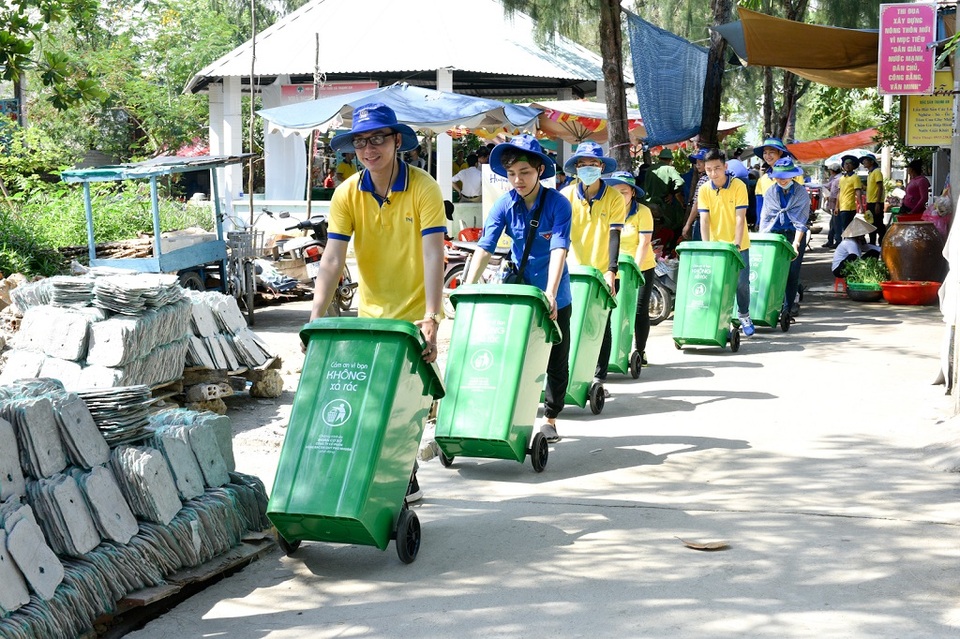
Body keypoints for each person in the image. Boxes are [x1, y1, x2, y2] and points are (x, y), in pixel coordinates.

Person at [309, 103, 446, 503]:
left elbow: (434, 253)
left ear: (396, 141)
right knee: (368, 402)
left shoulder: (423, 187)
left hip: (415, 314)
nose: (369, 149)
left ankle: (405, 473)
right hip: (371, 313)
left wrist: (432, 316)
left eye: (378, 139)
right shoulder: (346, 194)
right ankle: (381, 474)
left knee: (406, 404)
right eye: (361, 141)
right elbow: (332, 259)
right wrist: (315, 318)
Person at [464, 134, 573, 443]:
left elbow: (559, 249)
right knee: (508, 351)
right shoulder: (504, 203)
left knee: (556, 357)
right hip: (519, 292)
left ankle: (550, 417)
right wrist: (467, 288)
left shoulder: (558, 204)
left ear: (540, 170)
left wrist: (550, 293)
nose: (517, 180)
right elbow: (485, 248)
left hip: (554, 292)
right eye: (511, 174)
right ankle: (506, 409)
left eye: (524, 172)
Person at [561, 140, 625, 394]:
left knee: (600, 326)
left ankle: (598, 378)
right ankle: (567, 376)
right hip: (571, 273)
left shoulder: (614, 197)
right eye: (583, 164)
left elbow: (614, 235)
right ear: (576, 168)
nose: (588, 168)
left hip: (601, 273)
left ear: (601, 167)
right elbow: (560, 235)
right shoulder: (565, 196)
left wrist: (611, 270)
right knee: (567, 326)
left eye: (593, 164)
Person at [698, 148, 755, 336]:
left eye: (717, 168)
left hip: (739, 245)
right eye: (708, 169)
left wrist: (737, 245)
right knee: (719, 285)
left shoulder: (738, 186)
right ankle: (723, 321)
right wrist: (707, 247)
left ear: (725, 166)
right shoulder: (705, 189)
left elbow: (740, 218)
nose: (713, 173)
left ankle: (744, 315)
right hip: (716, 247)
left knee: (741, 283)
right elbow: (704, 220)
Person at [606, 170, 655, 367]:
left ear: (633, 193)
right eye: (615, 191)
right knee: (611, 311)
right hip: (614, 268)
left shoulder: (643, 212)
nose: (620, 196)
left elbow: (644, 243)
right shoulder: (608, 210)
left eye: (624, 192)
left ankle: (640, 351)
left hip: (640, 266)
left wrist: (634, 269)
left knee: (638, 311)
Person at [758, 157, 810, 320]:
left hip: (795, 234)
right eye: (778, 176)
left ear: (792, 176)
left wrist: (795, 243)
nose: (781, 180)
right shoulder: (771, 192)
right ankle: (771, 306)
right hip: (775, 235)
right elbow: (766, 218)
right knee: (772, 271)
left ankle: (788, 308)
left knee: (792, 272)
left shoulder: (801, 193)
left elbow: (801, 221)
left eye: (784, 177)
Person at [643, 148, 686, 251]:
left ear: (659, 158)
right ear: (670, 160)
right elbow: (680, 182)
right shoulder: (669, 169)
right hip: (664, 205)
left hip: (649, 205)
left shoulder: (650, 170)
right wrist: (672, 192)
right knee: (671, 228)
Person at [753, 137, 802, 215]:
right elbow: (760, 206)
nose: (767, 156)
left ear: (780, 153)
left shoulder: (795, 175)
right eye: (765, 153)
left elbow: (801, 202)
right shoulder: (762, 180)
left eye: (771, 152)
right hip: (770, 224)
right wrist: (759, 223)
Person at [681, 148, 709, 241]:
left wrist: (688, 224)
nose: (697, 165)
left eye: (701, 161)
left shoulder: (704, 180)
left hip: (702, 220)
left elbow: (697, 203)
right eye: (696, 162)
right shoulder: (716, 180)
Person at [861, 153, 885, 244]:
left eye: (866, 160)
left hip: (876, 202)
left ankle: (882, 242)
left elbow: (880, 187)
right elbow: (873, 188)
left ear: (872, 162)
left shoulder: (877, 172)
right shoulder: (870, 173)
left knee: (878, 223)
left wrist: (878, 203)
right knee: (871, 223)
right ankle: (872, 243)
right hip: (870, 202)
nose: (864, 162)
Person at [837, 154, 864, 233]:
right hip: (841, 207)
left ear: (853, 166)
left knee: (847, 228)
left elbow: (858, 192)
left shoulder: (855, 177)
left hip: (849, 207)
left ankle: (848, 243)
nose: (847, 165)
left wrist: (861, 206)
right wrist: (836, 206)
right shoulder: (842, 178)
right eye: (846, 163)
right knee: (844, 227)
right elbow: (839, 192)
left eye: (850, 163)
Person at [821, 162, 843, 249]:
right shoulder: (833, 178)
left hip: (837, 204)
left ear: (832, 171)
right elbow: (827, 186)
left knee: (837, 224)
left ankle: (838, 241)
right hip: (833, 205)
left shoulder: (839, 179)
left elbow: (837, 193)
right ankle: (830, 241)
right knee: (833, 224)